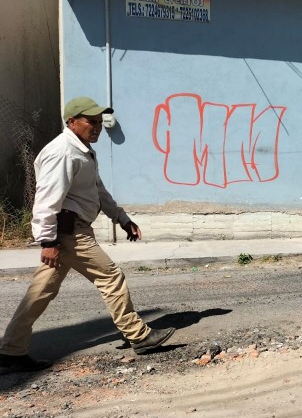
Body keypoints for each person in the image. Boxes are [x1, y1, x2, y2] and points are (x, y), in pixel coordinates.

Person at [0, 97, 175, 374]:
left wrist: (122, 218)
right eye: (90, 121)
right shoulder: (64, 153)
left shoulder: (83, 151)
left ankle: (10, 349)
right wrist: (48, 240)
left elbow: (98, 191)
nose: (96, 127)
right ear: (71, 122)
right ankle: (139, 336)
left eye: (98, 122)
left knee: (41, 291)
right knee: (111, 276)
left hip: (70, 230)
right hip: (69, 231)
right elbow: (46, 200)